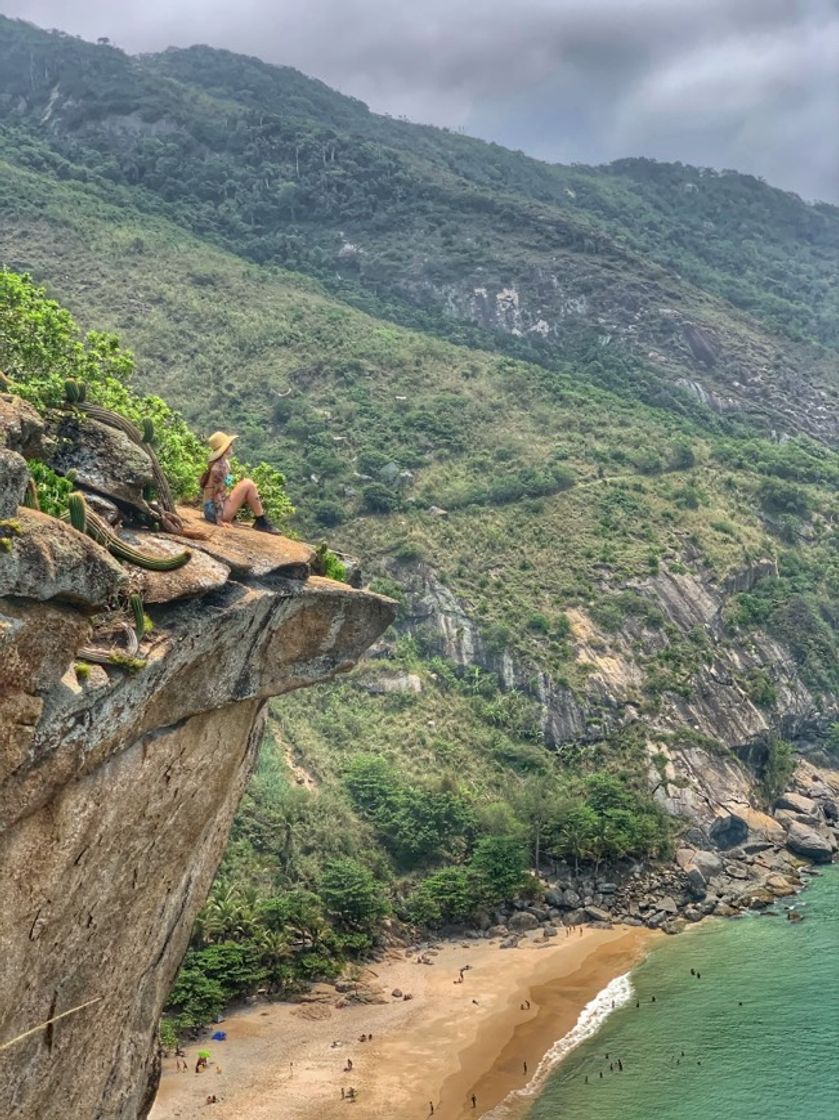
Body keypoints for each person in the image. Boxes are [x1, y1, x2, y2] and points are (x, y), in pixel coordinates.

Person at [200, 431, 278, 533]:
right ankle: (261, 522)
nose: (232, 446)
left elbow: (225, 486)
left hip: (215, 507)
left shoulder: (225, 463)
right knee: (248, 484)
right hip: (213, 511)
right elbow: (216, 494)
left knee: (247, 486)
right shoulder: (219, 468)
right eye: (230, 444)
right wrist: (219, 520)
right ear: (225, 448)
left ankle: (260, 520)